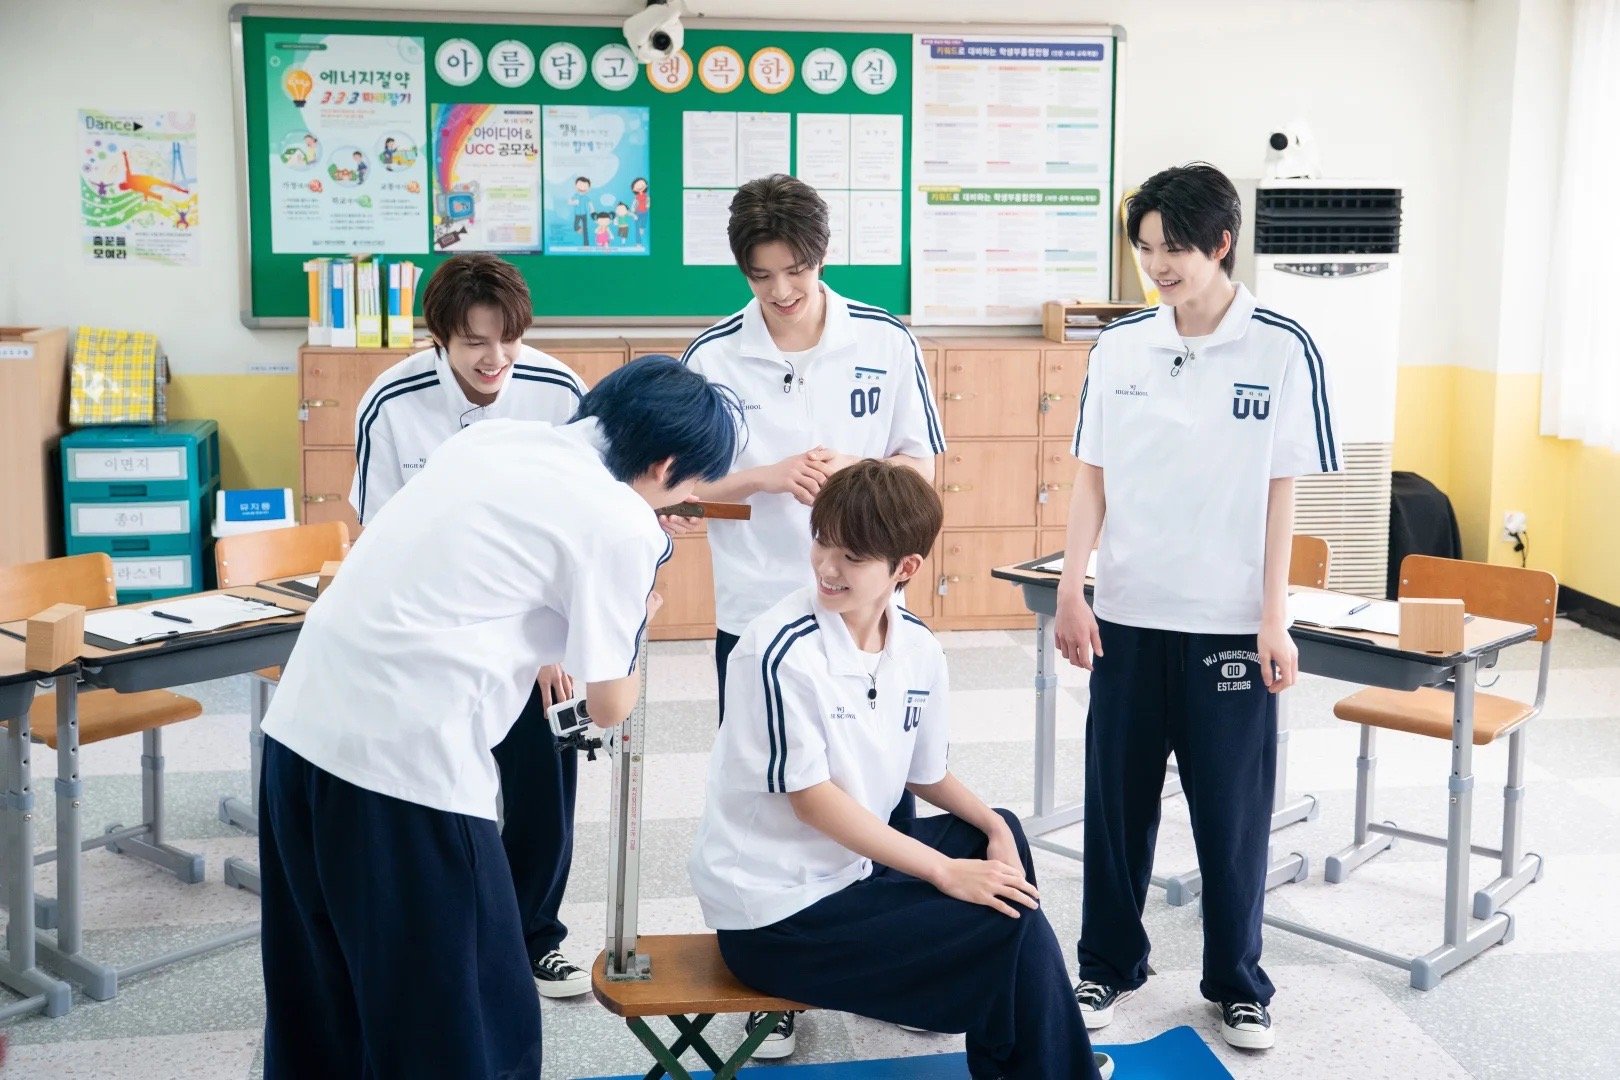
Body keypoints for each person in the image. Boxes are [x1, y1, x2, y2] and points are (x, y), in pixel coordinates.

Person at [257, 356, 742, 1079]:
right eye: (690, 484)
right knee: (470, 1014)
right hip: (405, 768)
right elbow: (609, 704)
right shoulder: (620, 523)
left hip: (297, 732)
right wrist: (641, 609)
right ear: (666, 465)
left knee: (322, 1001)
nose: (689, 499)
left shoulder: (493, 438)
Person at [689, 461, 1112, 1080]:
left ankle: (1028, 1057)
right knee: (1007, 925)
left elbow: (925, 772)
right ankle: (1051, 1064)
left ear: (904, 568)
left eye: (853, 556)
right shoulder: (777, 650)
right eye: (822, 541)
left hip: (848, 872)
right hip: (775, 916)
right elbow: (812, 800)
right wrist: (943, 871)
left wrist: (995, 826)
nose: (827, 566)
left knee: (997, 841)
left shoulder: (917, 646)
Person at [1055, 163, 1341, 1052]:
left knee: (1231, 816)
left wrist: (1272, 615)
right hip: (1129, 616)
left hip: (1227, 624)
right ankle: (1106, 963)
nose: (1157, 267)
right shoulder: (1119, 348)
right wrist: (1072, 586)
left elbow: (1283, 491)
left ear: (1221, 243)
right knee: (1116, 808)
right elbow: (1092, 476)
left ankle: (1239, 985)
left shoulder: (1282, 347)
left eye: (1173, 248)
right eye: (1145, 249)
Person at [346, 253, 596, 998]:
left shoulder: (557, 392)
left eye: (508, 340)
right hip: (432, 628)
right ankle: (442, 941)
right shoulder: (390, 403)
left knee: (544, 782)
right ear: (440, 340)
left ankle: (533, 938)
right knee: (433, 796)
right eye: (475, 343)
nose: (495, 360)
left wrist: (554, 643)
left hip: (529, 629)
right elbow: (383, 541)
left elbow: (578, 526)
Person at [679, 173, 945, 722]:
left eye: (796, 270)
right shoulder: (711, 357)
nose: (780, 292)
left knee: (874, 760)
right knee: (762, 764)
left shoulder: (886, 339)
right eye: (761, 276)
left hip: (867, 602)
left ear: (822, 255)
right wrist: (764, 477)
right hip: (756, 607)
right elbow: (678, 491)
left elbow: (921, 468)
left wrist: (858, 471)